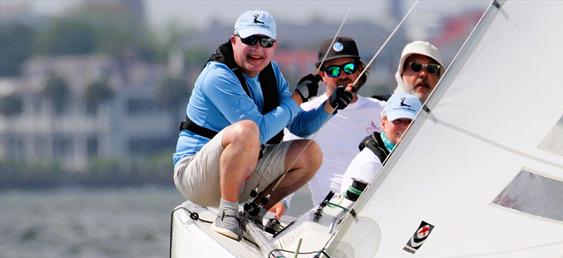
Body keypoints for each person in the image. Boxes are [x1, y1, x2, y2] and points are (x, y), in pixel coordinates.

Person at [172, 10, 353, 240]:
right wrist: (298, 97)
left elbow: (299, 127)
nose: (258, 49)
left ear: (274, 46)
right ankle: (228, 214)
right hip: (195, 176)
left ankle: (255, 213)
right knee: (247, 130)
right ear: (234, 41)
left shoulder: (272, 73)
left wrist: (330, 105)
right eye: (250, 40)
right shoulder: (217, 76)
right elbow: (260, 132)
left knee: (310, 153)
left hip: (242, 172)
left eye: (266, 41)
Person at [285, 36, 384, 209]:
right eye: (334, 71)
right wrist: (282, 202)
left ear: (360, 70)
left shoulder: (382, 110)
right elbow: (286, 162)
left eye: (349, 68)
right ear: (322, 75)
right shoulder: (306, 112)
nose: (343, 75)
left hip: (378, 205)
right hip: (331, 212)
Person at [339, 93, 422, 194]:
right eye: (397, 120)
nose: (405, 127)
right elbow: (353, 208)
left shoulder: (423, 152)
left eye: (410, 121)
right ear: (383, 123)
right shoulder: (370, 163)